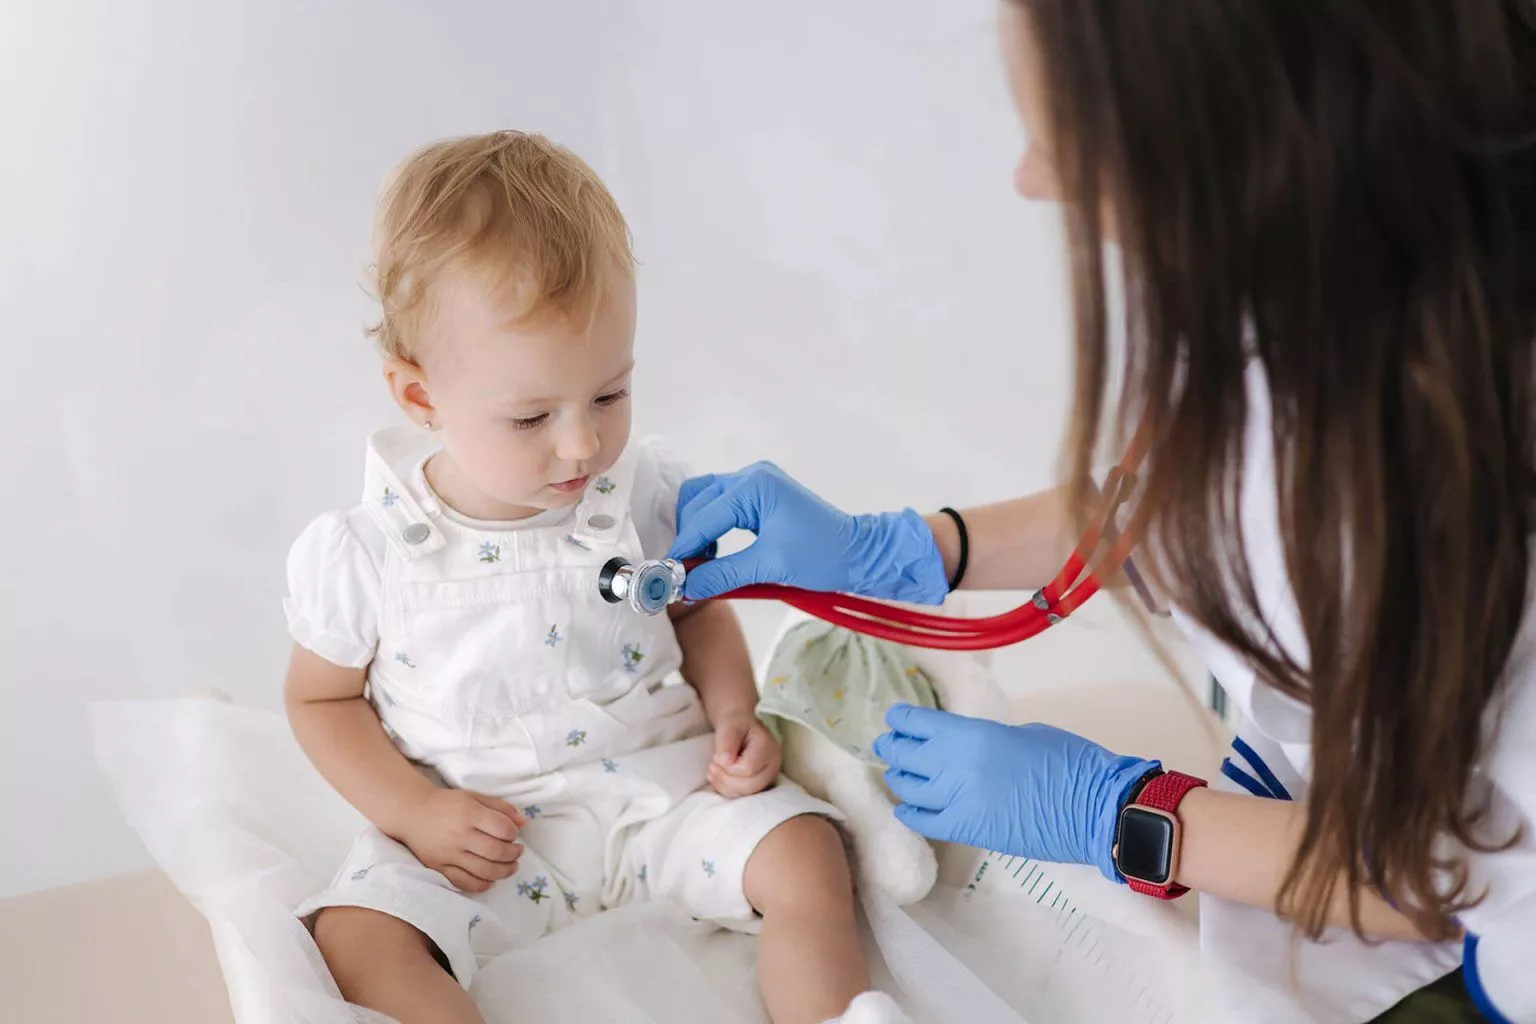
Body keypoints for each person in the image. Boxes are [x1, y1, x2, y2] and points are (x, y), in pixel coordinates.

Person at [668, 3, 1536, 1022]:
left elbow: (1423, 872)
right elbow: (1196, 499)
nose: (1031, 180)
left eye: (1054, 135)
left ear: (1204, 140)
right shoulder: (1374, 267)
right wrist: (907, 548)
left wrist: (1131, 815)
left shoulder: (1406, 482)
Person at [281, 131, 903, 1024]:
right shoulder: (369, 550)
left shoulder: (643, 490)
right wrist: (417, 815)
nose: (582, 445)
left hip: (661, 794)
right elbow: (319, 703)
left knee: (806, 853)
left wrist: (735, 715)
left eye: (609, 395)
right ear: (421, 398)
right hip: (484, 836)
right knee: (352, 937)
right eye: (531, 416)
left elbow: (697, 614)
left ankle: (838, 1015)